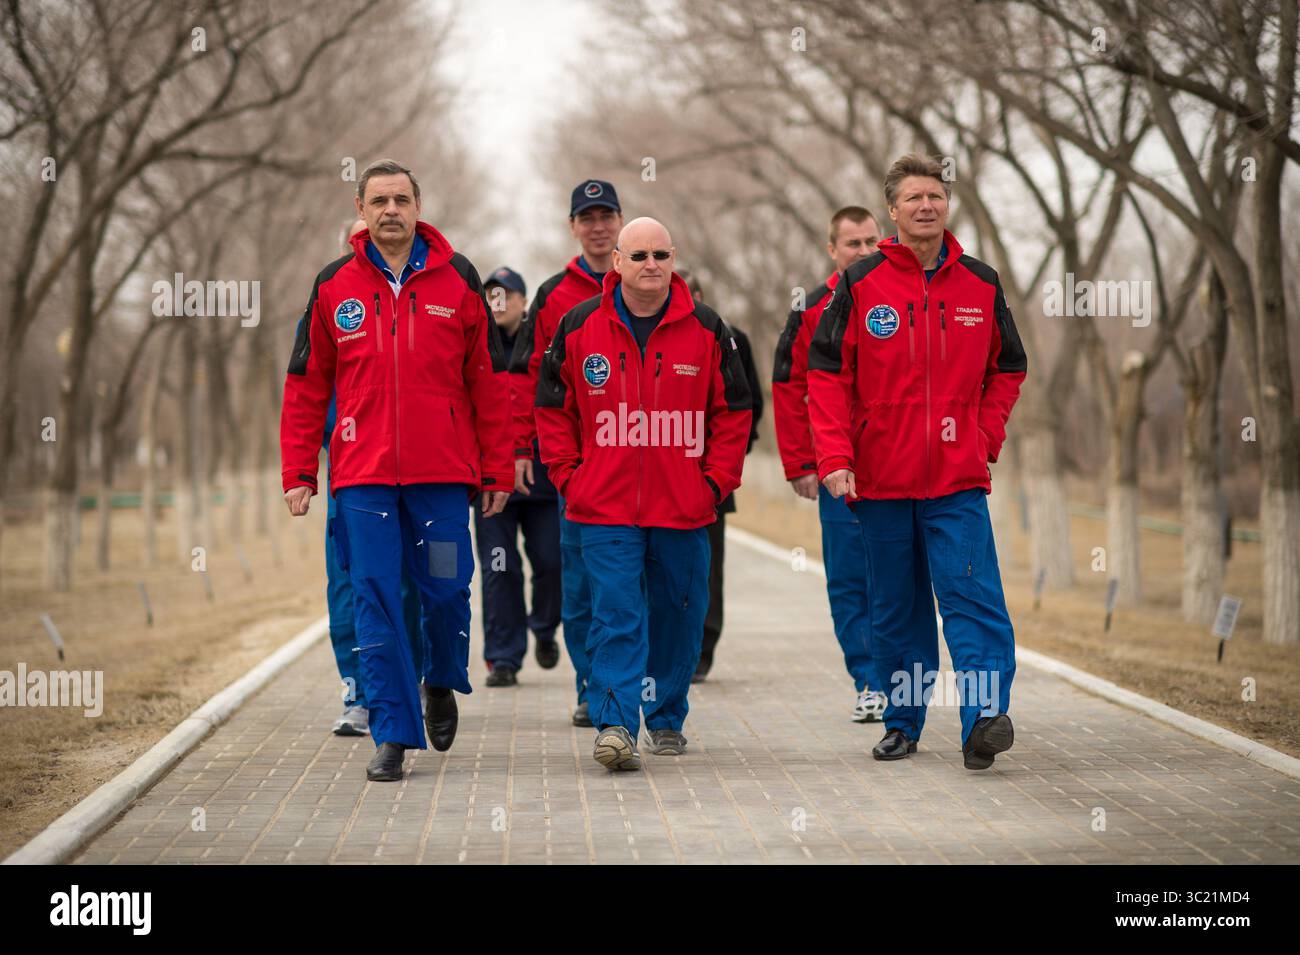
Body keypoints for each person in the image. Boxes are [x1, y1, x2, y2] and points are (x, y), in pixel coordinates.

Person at [282, 159, 512, 782]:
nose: (391, 210)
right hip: (363, 479)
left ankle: (439, 679)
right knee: (376, 599)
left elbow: (487, 383)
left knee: (443, 590)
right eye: (378, 199)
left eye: (401, 199)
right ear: (361, 208)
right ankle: (391, 730)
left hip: (440, 477)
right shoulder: (333, 284)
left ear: (418, 206)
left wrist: (496, 472)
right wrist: (300, 469)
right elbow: (307, 383)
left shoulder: (458, 279)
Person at [808, 153, 1027, 770]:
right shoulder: (860, 283)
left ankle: (983, 720)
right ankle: (903, 723)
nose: (926, 206)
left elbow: (1009, 368)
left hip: (956, 482)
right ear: (893, 211)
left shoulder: (981, 283)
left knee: (973, 600)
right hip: (879, 482)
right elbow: (825, 377)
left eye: (936, 195)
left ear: (946, 204)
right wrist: (834, 455)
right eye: (913, 199)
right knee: (897, 611)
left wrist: (983, 438)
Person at [536, 217, 751, 770]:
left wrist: (713, 484)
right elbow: (552, 411)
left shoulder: (708, 329)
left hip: (683, 508)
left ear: (673, 258)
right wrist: (570, 476)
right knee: (617, 614)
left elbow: (733, 414)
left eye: (660, 254)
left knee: (680, 615)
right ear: (618, 262)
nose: (649, 265)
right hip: (604, 509)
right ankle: (615, 724)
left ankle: (666, 716)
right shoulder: (579, 326)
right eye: (638, 256)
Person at [509, 179, 623, 727]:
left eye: (606, 216)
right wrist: (522, 446)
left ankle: (629, 682)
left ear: (620, 221)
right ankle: (589, 684)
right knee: (575, 581)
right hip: (575, 466)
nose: (598, 226)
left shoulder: (650, 279)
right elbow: (529, 375)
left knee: (627, 581)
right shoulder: (554, 295)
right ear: (573, 227)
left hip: (639, 461)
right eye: (587, 217)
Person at [772, 207, 889, 722]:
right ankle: (869, 681)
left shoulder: (897, 297)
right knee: (848, 580)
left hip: (899, 467)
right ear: (832, 250)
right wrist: (801, 460)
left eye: (870, 242)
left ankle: (903, 680)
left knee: (896, 578)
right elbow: (789, 386)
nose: (863, 252)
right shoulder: (812, 308)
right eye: (852, 244)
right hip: (838, 469)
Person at [315, 219, 424, 737]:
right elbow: (308, 388)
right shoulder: (332, 298)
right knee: (349, 588)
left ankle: (412, 682)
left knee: (412, 587)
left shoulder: (420, 300)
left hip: (414, 477)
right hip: (351, 479)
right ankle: (358, 693)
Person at [474, 266, 562, 686]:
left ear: (524, 303)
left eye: (507, 295)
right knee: (499, 567)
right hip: (491, 480)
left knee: (551, 561)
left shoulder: (543, 344)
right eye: (491, 295)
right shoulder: (474, 344)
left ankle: (544, 629)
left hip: (541, 478)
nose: (498, 302)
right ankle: (504, 657)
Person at [675, 268, 763, 683]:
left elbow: (748, 407)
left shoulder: (729, 338)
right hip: (660, 477)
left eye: (693, 292)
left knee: (707, 569)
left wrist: (723, 467)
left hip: (710, 480)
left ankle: (702, 650)